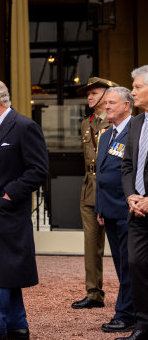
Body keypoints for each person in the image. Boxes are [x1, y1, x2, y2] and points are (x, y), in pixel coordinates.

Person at [0, 79, 48, 340]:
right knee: (5, 267)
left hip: (9, 211)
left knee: (2, 268)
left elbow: (39, 169)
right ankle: (17, 325)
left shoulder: (24, 126)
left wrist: (9, 195)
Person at [72, 77, 119, 310]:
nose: (89, 97)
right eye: (88, 94)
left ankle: (129, 295)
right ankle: (94, 293)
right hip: (90, 188)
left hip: (113, 189)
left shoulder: (118, 123)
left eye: (94, 93)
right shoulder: (86, 123)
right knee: (91, 245)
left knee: (122, 244)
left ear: (106, 95)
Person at [95, 87, 134, 334]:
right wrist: (99, 208)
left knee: (130, 264)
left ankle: (126, 314)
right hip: (109, 209)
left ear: (126, 105)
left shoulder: (137, 131)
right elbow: (101, 174)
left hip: (128, 209)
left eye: (111, 102)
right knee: (121, 264)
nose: (106, 106)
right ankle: (132, 309)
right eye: (105, 103)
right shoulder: (107, 134)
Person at [121, 65, 148, 340]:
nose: (133, 91)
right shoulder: (137, 123)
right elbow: (127, 164)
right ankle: (142, 327)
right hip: (137, 211)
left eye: (138, 87)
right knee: (136, 265)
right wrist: (131, 195)